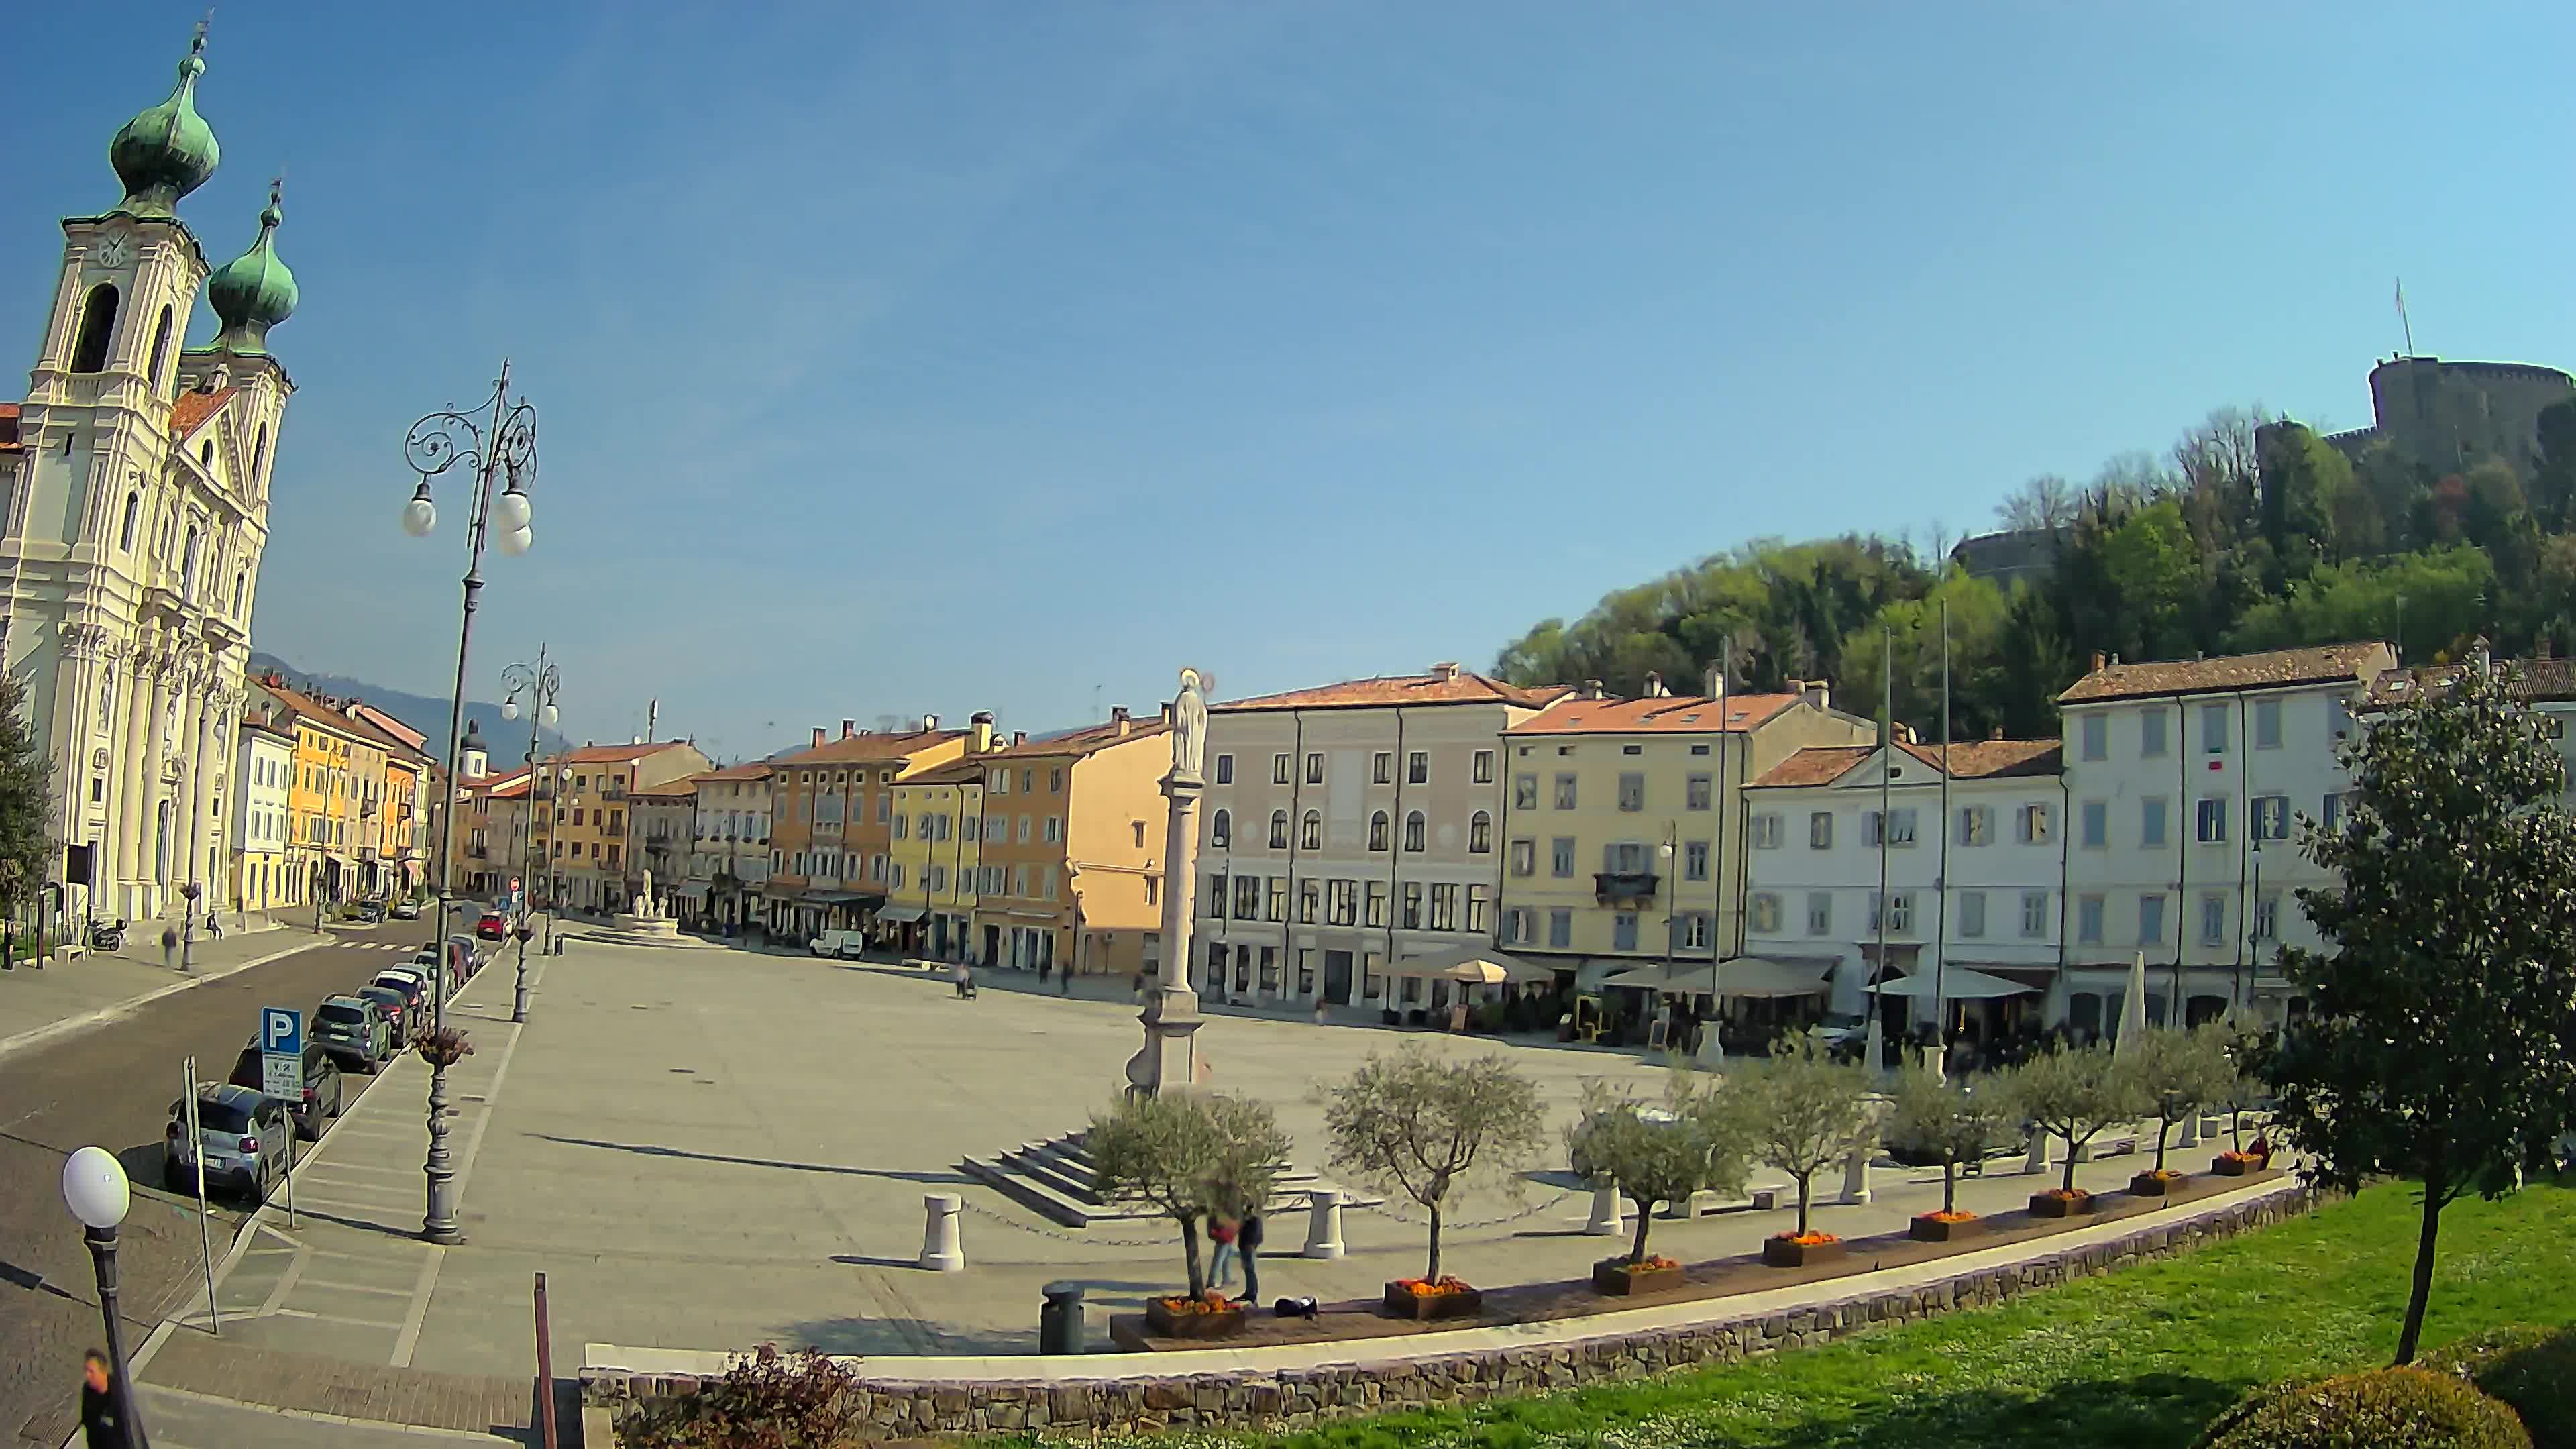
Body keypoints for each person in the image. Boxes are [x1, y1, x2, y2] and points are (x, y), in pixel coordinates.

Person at [80, 1348, 131, 1448]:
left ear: (103, 1372)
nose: (87, 1375)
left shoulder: (120, 1395)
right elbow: (87, 1421)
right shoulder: (87, 1390)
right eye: (86, 1370)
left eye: (91, 1371)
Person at [1207, 1215, 1240, 1294]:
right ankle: (1211, 1282)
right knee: (1218, 1260)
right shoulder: (1219, 1212)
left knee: (1226, 1258)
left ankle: (1226, 1278)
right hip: (1223, 1237)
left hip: (1226, 1236)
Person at [1238, 1210, 1265, 1304]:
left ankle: (1252, 1294)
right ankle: (1249, 1292)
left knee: (1250, 1271)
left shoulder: (1254, 1220)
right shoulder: (1251, 1220)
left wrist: (1252, 1245)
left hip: (1248, 1247)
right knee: (1248, 1271)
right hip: (1246, 1246)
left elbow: (1256, 1236)